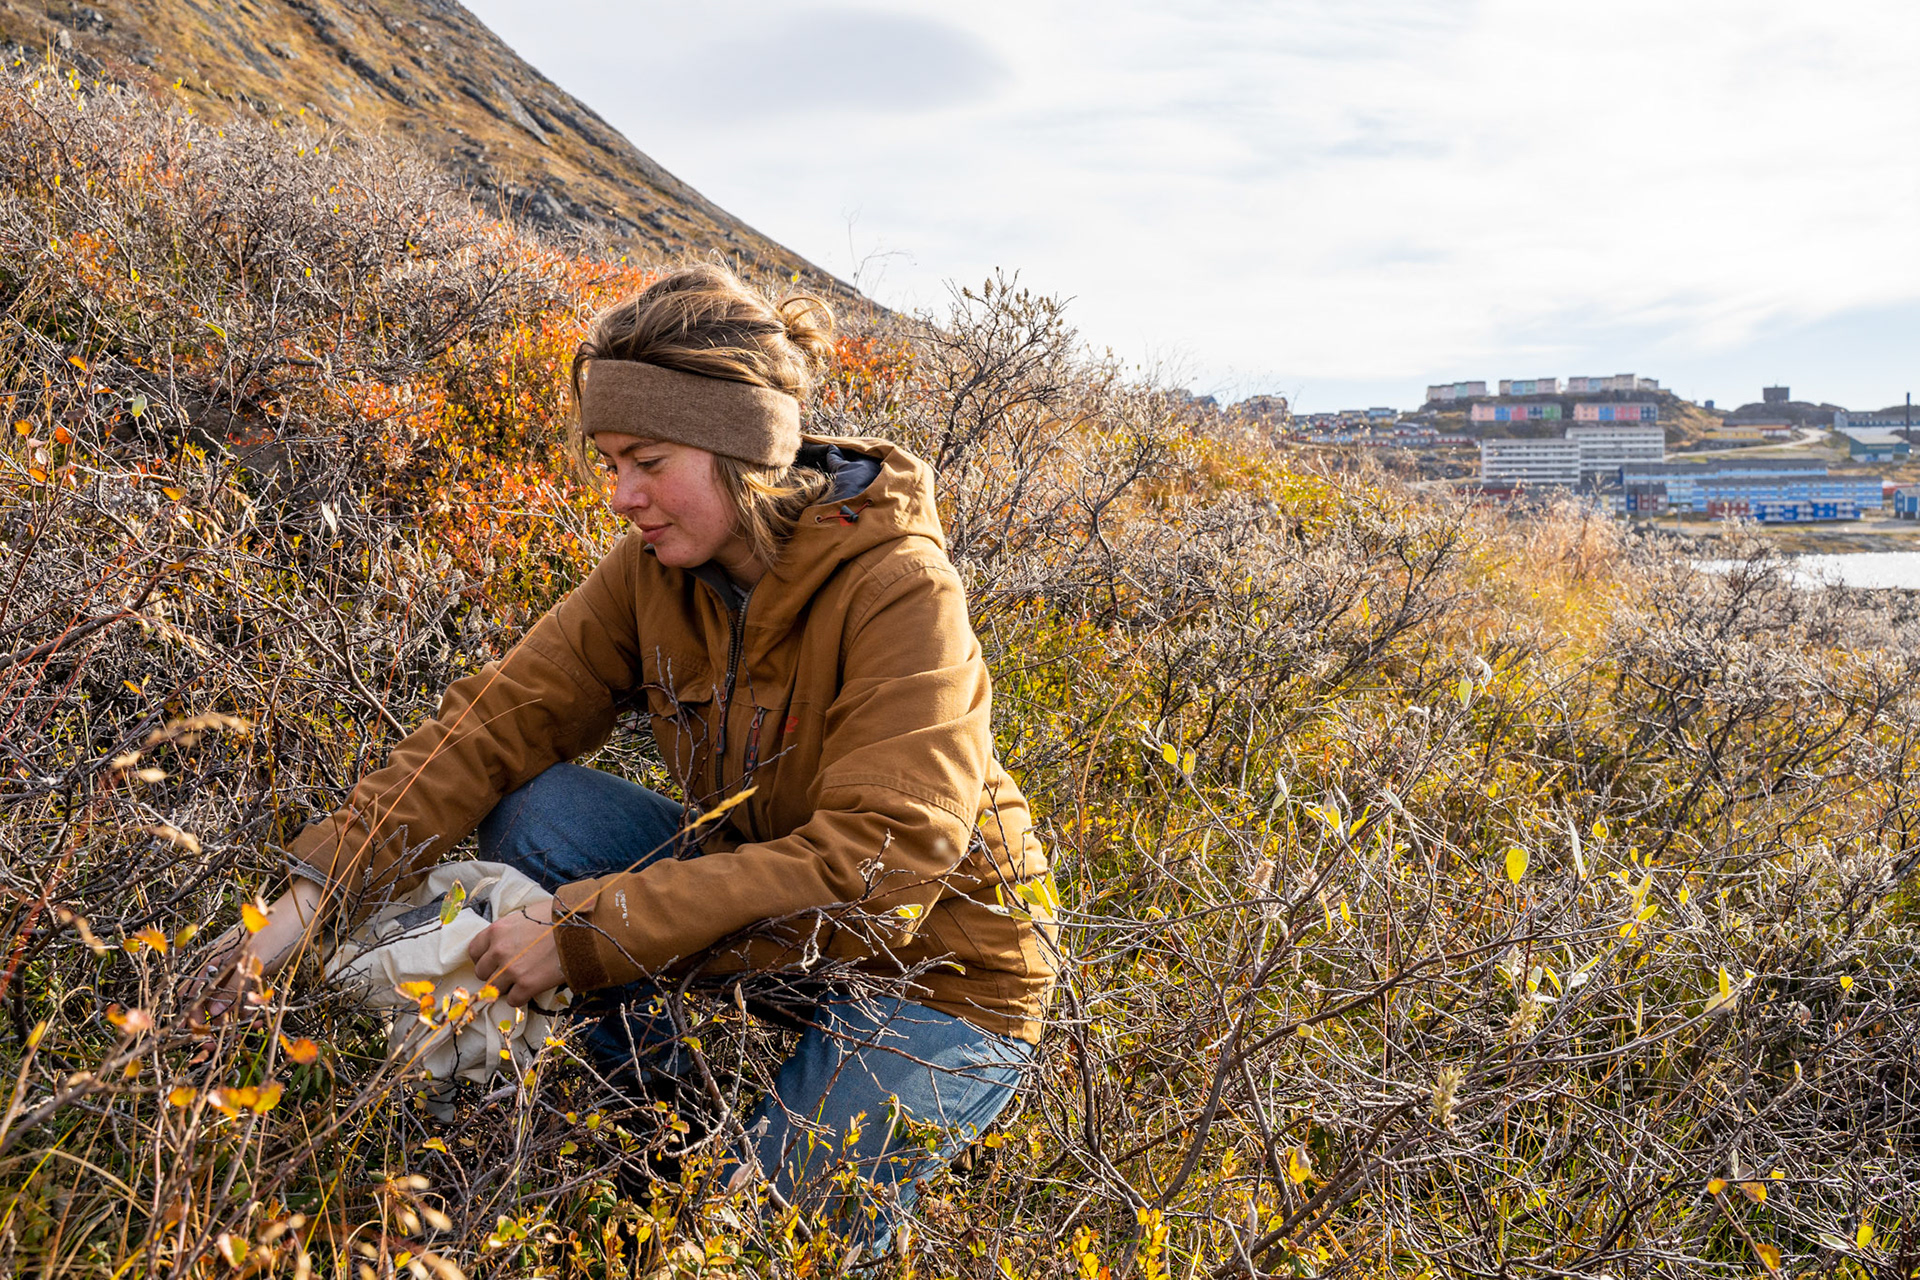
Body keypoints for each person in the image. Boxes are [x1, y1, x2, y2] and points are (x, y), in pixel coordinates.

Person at [220, 264, 1060, 1250]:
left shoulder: (900, 585)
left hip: (938, 971)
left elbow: (883, 866)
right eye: (610, 461)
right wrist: (315, 897)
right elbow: (493, 720)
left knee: (761, 1240)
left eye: (647, 460)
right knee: (541, 811)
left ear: (738, 449)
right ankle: (648, 1122)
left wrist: (583, 927)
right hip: (774, 918)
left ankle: (714, 1176)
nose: (621, 495)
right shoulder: (652, 574)